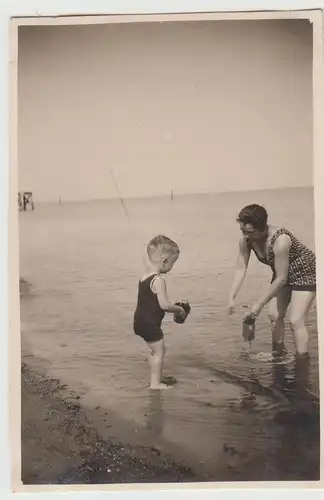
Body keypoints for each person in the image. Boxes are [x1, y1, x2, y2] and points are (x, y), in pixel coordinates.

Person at [228, 204, 316, 356]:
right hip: (282, 272)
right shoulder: (246, 241)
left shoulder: (280, 240)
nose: (246, 235)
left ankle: (302, 362)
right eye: (243, 231)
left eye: (250, 232)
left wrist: (258, 305)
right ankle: (278, 354)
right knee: (274, 316)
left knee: (295, 321)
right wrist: (231, 297)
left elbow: (281, 279)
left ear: (262, 228)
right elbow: (240, 268)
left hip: (305, 272)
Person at [134, 235, 186, 390]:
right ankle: (155, 384)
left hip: (139, 322)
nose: (172, 266)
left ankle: (155, 376)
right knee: (160, 350)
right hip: (150, 324)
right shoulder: (159, 280)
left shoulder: (144, 277)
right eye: (172, 263)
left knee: (155, 350)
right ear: (164, 261)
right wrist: (179, 309)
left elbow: (151, 301)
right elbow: (163, 305)